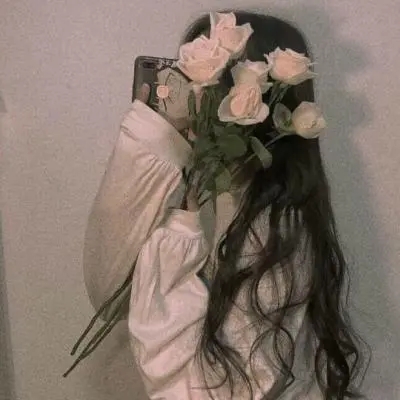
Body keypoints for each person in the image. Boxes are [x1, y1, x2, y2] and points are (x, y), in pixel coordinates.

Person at [82, 11, 368, 400]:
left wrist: (175, 240)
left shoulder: (277, 225)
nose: (188, 90)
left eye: (204, 78)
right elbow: (108, 287)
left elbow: (214, 390)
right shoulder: (202, 191)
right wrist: (150, 141)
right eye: (188, 71)